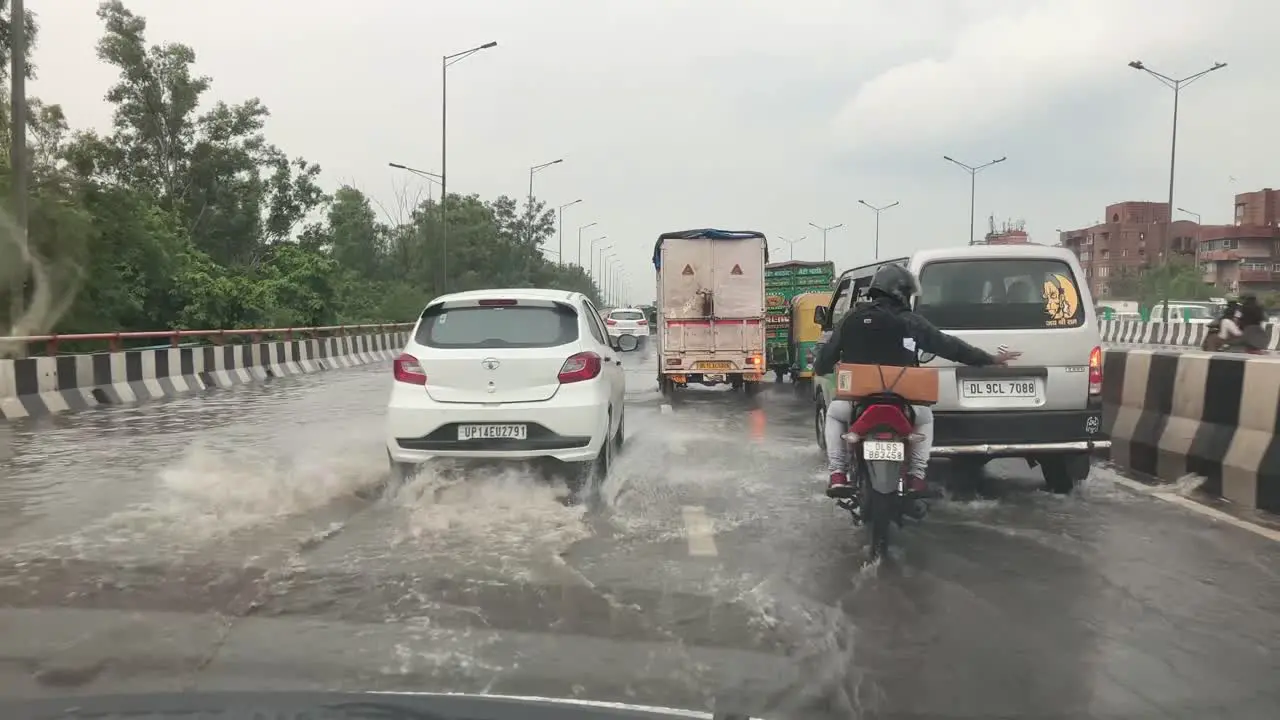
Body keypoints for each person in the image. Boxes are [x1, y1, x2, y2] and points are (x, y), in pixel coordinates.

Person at [814, 264, 1021, 515]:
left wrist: (824, 364)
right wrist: (990, 359)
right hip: (903, 404)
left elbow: (823, 362)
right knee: (925, 418)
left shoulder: (852, 318)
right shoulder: (910, 321)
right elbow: (951, 347)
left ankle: (837, 473)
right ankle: (916, 475)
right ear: (901, 292)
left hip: (856, 403)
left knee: (835, 414)